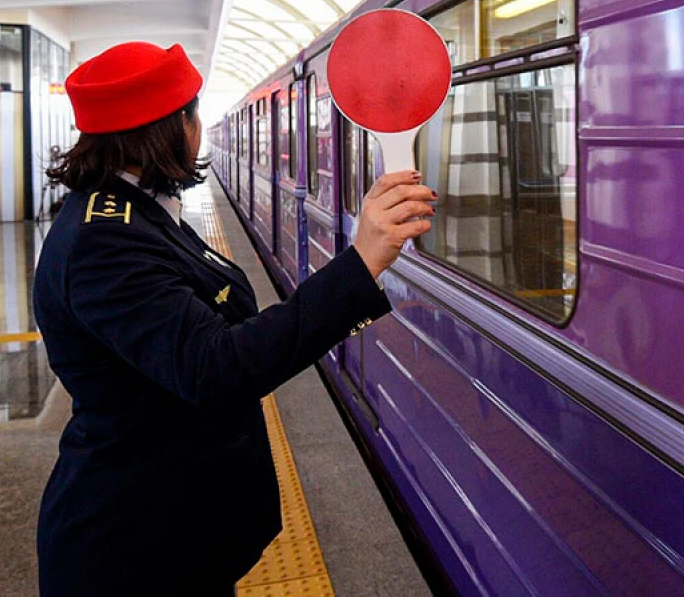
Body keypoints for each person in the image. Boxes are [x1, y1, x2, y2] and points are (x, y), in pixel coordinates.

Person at [32, 41, 435, 596]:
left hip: (168, 535)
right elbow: (215, 368)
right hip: (134, 553)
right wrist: (361, 263)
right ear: (174, 125)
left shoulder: (135, 215)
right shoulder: (106, 242)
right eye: (193, 111)